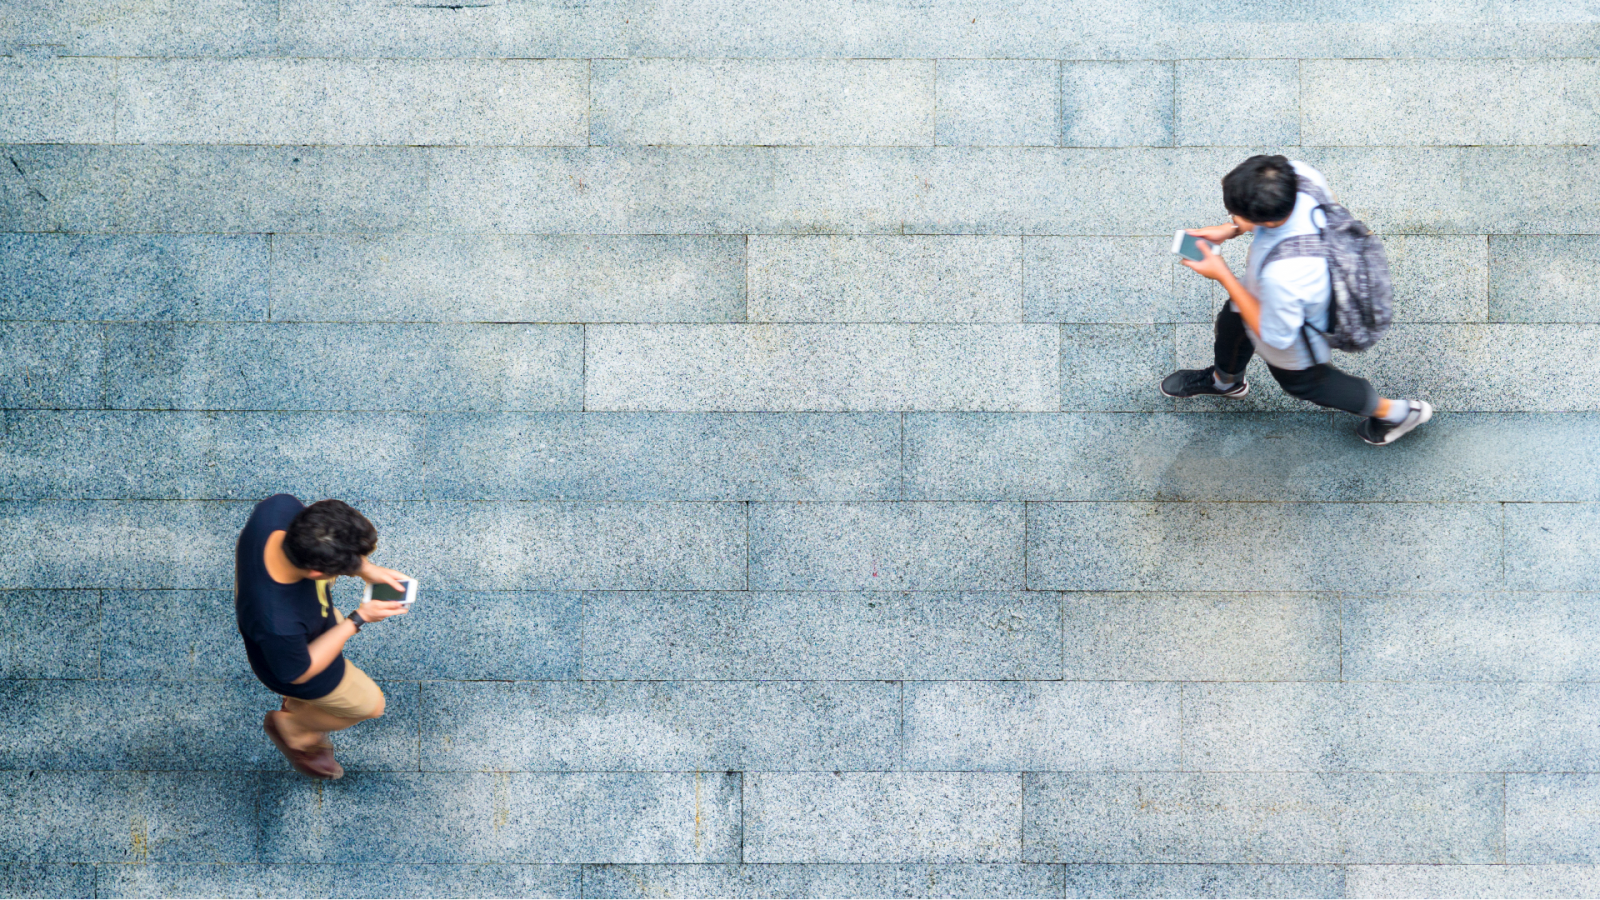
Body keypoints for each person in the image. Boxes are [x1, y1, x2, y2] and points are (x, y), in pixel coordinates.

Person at [1160, 154, 1432, 446]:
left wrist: (1223, 274)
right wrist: (1233, 228)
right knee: (1231, 325)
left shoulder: (1287, 275)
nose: (1232, 217)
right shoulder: (1299, 176)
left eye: (1235, 214)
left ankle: (1398, 413)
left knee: (1305, 383)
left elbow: (1275, 334)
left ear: (1266, 219)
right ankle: (1224, 382)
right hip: (1270, 292)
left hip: (1295, 329)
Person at [235, 494, 409, 779]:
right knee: (372, 705)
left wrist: (366, 570)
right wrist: (359, 618)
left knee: (333, 620)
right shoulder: (277, 621)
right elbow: (299, 671)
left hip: (297, 634)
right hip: (295, 666)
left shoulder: (279, 508)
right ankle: (295, 728)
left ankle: (298, 710)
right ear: (316, 571)